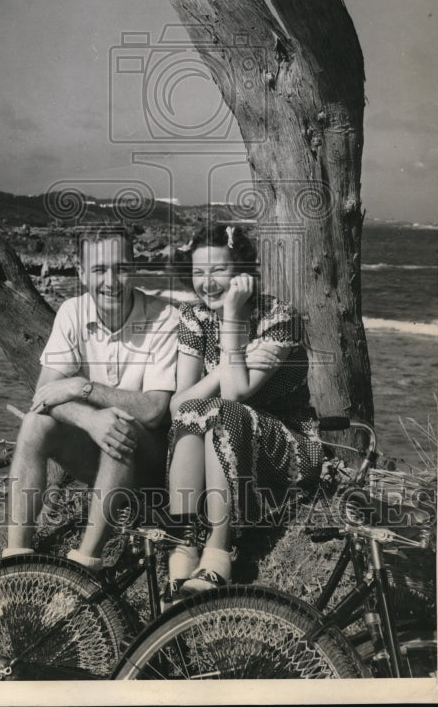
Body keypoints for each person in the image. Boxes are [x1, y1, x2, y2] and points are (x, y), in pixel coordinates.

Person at [4, 225, 179, 572]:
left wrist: (83, 387)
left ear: (134, 268)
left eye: (121, 268)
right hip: (99, 449)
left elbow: (156, 410)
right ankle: (13, 563)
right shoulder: (73, 311)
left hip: (153, 463)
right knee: (35, 423)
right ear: (82, 273)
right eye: (99, 270)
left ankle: (86, 567)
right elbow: (43, 398)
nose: (111, 280)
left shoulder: (165, 317)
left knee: (120, 427)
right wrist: (90, 419)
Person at [165, 218, 324, 596]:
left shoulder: (278, 318)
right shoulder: (195, 316)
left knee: (221, 410)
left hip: (289, 449)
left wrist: (234, 318)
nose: (207, 282)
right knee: (193, 414)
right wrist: (223, 365)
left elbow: (237, 394)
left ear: (242, 274)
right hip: (220, 442)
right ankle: (186, 544)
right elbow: (178, 405)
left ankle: (219, 552)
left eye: (219, 270)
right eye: (198, 272)